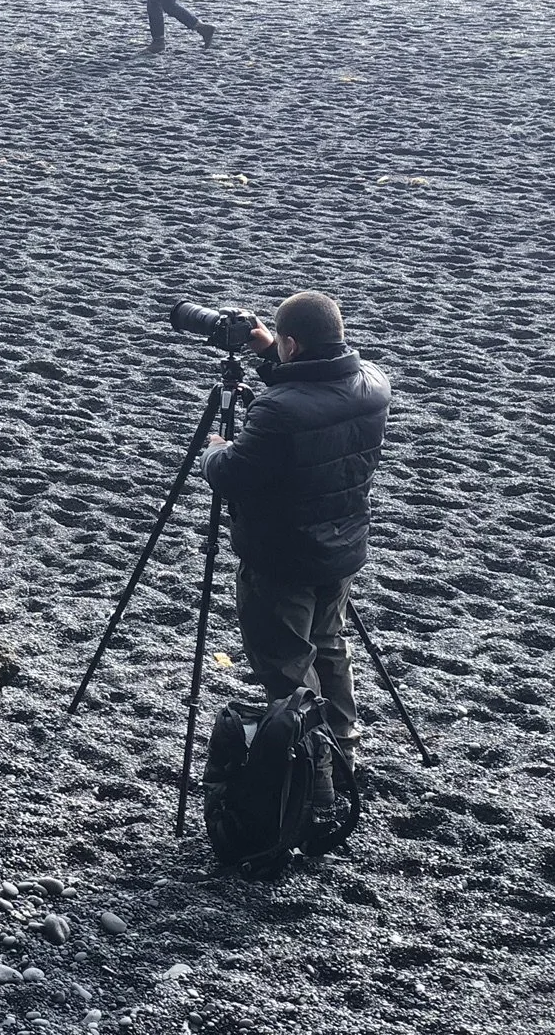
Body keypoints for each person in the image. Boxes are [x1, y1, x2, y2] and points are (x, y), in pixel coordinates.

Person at [202, 290, 389, 818]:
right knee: (329, 648)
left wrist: (216, 451)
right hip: (342, 550)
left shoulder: (277, 410)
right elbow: (314, 401)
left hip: (282, 560)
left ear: (293, 342)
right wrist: (270, 352)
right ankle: (343, 755)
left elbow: (232, 475)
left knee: (287, 668)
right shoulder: (373, 384)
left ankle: (317, 787)